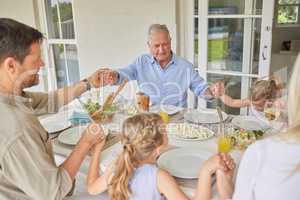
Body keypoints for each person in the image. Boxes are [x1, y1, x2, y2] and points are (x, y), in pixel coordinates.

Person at [0, 18, 111, 199]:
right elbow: (55, 191)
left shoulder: (13, 96)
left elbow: (49, 101)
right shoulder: (16, 128)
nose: (42, 64)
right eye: (36, 60)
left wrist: (88, 83)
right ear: (11, 65)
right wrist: (86, 142)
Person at [86, 113, 235, 200]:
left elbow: (91, 188)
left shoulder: (116, 166)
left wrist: (97, 151)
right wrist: (205, 171)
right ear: (158, 149)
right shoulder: (159, 177)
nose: (167, 132)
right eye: (165, 132)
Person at [216, 55, 300, 200]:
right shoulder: (252, 101)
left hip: (275, 140)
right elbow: (233, 102)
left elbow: (288, 124)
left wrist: (281, 109)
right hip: (255, 139)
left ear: (271, 100)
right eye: (254, 104)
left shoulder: (278, 106)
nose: (255, 107)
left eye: (259, 106)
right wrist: (222, 95)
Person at [103, 24, 224, 107]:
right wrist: (115, 75)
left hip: (178, 122)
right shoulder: (141, 62)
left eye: (165, 44)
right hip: (148, 118)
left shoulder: (185, 66)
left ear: (170, 42)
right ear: (149, 45)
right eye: (156, 46)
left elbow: (201, 89)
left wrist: (212, 92)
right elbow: (124, 74)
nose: (161, 50)